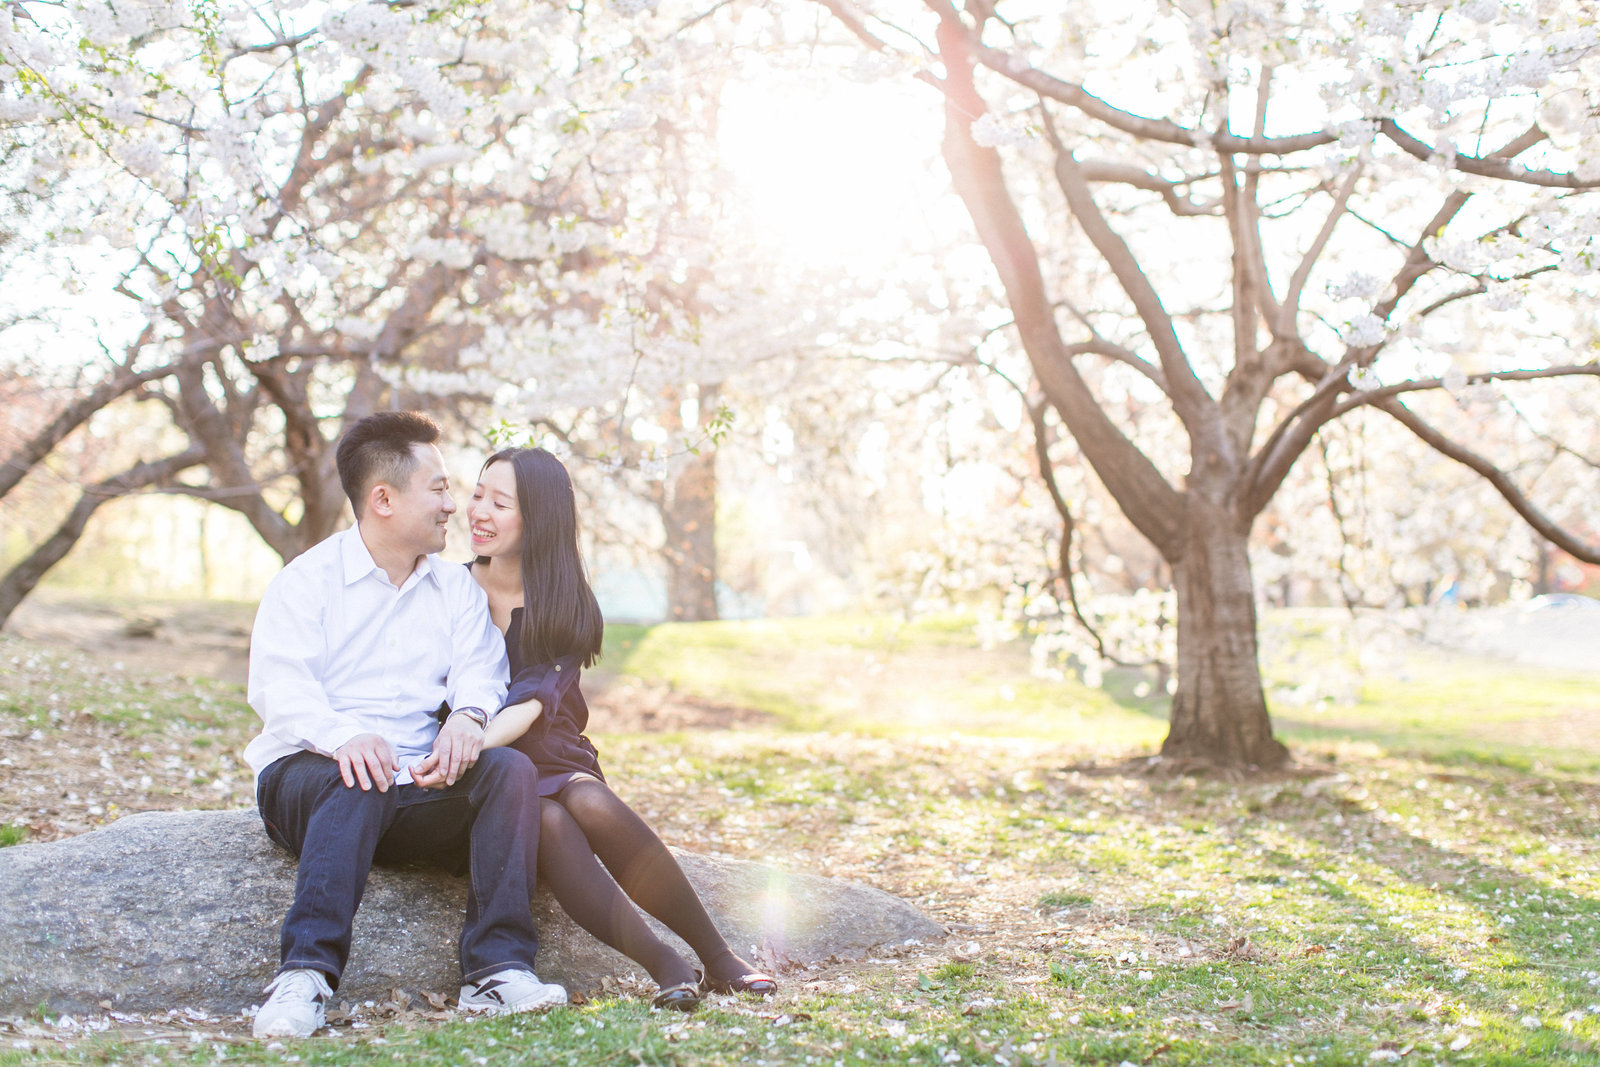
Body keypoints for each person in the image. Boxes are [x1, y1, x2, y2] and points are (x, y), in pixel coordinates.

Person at [244, 412, 565, 1040]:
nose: (455, 506)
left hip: (412, 783)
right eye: (439, 488)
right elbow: (279, 690)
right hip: (310, 779)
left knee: (508, 768)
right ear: (383, 499)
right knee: (357, 774)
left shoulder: (454, 588)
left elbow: (481, 672)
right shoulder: (307, 582)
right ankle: (304, 977)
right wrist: (344, 737)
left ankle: (496, 970)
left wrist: (469, 721)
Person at [461, 446, 777, 1013]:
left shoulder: (567, 605)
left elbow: (530, 705)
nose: (478, 510)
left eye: (499, 502)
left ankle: (719, 957)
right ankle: (666, 964)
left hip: (546, 750)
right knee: (551, 822)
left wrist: (468, 741)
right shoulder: (448, 591)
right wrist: (461, 749)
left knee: (589, 801)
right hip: (490, 771)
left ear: (538, 519)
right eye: (477, 494)